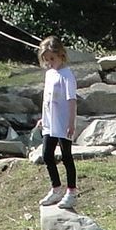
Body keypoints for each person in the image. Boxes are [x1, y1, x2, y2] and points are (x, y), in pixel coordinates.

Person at [37, 35, 79, 210]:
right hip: (50, 123)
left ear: (61, 54)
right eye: (46, 60)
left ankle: (71, 191)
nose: (49, 63)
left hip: (63, 122)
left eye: (52, 59)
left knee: (66, 156)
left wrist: (71, 122)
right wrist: (43, 118)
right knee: (47, 154)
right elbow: (46, 99)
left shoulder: (67, 75)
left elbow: (71, 100)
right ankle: (56, 188)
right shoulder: (49, 74)